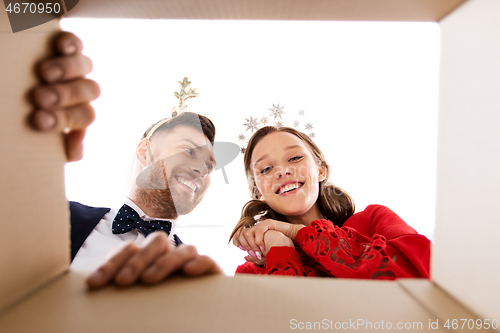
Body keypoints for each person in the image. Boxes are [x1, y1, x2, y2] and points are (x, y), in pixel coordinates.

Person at [31, 32, 221, 288]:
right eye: (188, 151)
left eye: (209, 166)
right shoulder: (57, 218)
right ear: (145, 151)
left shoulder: (198, 280)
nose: (202, 170)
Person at [230, 126, 430, 279]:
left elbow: (423, 275)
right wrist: (280, 249)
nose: (283, 171)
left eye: (295, 157)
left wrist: (296, 232)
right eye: (265, 169)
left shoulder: (374, 220)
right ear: (258, 192)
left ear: (320, 170)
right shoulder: (251, 273)